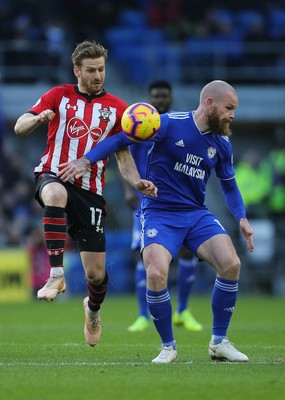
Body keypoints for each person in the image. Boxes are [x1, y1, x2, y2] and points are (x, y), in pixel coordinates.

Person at [57, 80, 254, 364]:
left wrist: (242, 218)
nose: (232, 114)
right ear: (210, 103)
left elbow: (230, 186)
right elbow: (120, 140)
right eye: (229, 108)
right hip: (159, 213)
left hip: (196, 214)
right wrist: (86, 160)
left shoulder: (222, 144)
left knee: (231, 264)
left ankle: (219, 341)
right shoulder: (168, 124)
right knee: (156, 273)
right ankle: (168, 347)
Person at [14, 40, 157, 348]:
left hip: (91, 190)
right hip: (53, 172)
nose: (97, 76)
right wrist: (37, 119)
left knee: (96, 274)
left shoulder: (118, 109)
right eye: (91, 70)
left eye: (101, 70)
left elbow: (123, 159)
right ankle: (56, 274)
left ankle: (92, 311)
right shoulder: (58, 95)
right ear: (76, 70)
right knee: (53, 194)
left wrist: (138, 182)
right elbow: (19, 125)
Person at [125, 80, 202, 332]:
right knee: (144, 255)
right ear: (149, 98)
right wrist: (129, 188)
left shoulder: (176, 126)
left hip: (178, 201)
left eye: (164, 96)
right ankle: (142, 315)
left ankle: (183, 310)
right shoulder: (139, 127)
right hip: (146, 202)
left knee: (187, 253)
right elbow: (125, 156)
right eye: (155, 96)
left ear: (170, 98)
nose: (160, 100)